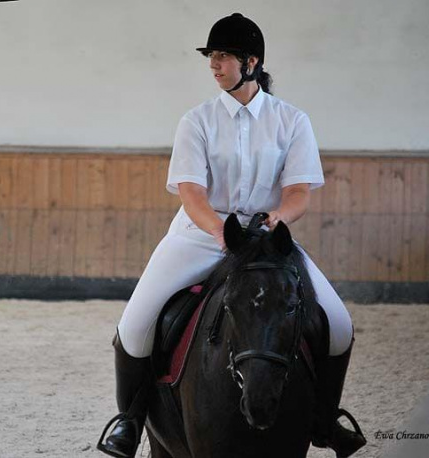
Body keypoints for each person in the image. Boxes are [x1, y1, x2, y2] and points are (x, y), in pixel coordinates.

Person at [97, 12, 366, 458]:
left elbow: (299, 191)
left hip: (265, 238)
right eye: (212, 57)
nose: (213, 65)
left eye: (222, 57)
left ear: (252, 62)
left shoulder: (292, 121)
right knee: (135, 324)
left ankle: (325, 418)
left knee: (337, 323)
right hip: (200, 236)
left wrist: (278, 217)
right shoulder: (196, 121)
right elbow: (191, 193)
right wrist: (221, 232)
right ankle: (129, 422)